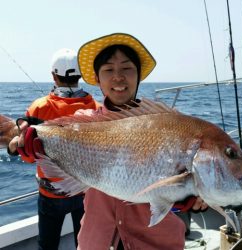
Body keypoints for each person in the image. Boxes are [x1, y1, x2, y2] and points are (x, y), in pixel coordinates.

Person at [11, 34, 208, 250]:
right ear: (96, 77)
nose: (118, 77)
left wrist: (188, 199)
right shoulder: (85, 120)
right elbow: (48, 139)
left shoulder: (173, 124)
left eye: (126, 68)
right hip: (97, 241)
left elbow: (183, 193)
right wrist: (29, 145)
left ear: (139, 74)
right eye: (108, 70)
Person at [8, 48, 100, 250]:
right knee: (84, 243)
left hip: (50, 193)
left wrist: (14, 146)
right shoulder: (96, 107)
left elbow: (30, 157)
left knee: (47, 245)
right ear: (80, 75)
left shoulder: (38, 107)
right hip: (84, 190)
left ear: (53, 75)